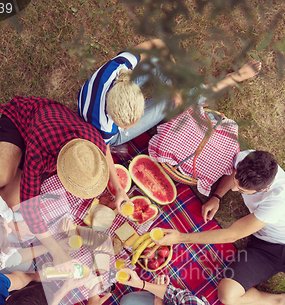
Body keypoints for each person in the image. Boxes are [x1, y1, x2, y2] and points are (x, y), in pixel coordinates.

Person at [78, 38, 261, 206]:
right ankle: (218, 85)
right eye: (129, 126)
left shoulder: (119, 66)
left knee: (158, 63)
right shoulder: (105, 128)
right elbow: (104, 149)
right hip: (105, 130)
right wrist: (119, 189)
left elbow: (158, 43)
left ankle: (191, 96)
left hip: (99, 96)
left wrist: (174, 87)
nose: (134, 128)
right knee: (173, 100)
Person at [0, 97, 112, 269]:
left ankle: (6, 167)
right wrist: (56, 251)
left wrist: (118, 188)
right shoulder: (40, 148)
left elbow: (105, 150)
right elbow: (30, 208)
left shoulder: (93, 147)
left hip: (46, 148)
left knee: (10, 200)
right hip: (21, 124)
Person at [155, 150, 285, 305]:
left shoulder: (277, 202)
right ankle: (278, 302)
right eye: (237, 183)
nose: (234, 189)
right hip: (264, 246)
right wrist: (217, 196)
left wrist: (180, 237)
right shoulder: (247, 158)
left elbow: (230, 235)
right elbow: (233, 176)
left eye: (240, 190)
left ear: (263, 189)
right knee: (228, 295)